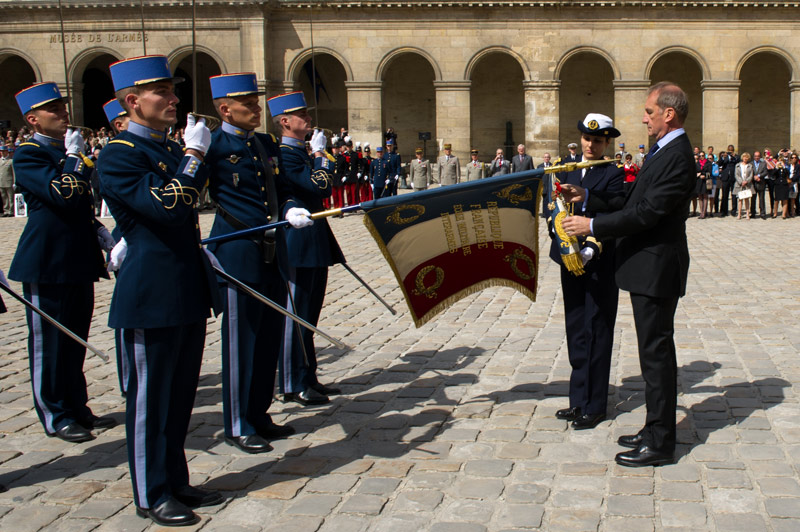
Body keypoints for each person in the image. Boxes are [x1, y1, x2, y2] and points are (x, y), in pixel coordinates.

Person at [98, 55, 222, 526]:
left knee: (180, 395)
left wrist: (187, 160)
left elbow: (192, 200)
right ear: (132, 101)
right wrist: (193, 157)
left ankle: (175, 479)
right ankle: (151, 492)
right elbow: (170, 207)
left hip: (186, 283)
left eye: (173, 91)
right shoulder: (119, 154)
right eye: (162, 93)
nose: (174, 100)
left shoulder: (168, 152)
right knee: (150, 400)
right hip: (149, 292)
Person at [561, 82, 695, 467]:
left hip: (657, 267)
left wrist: (592, 226)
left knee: (656, 356)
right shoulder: (664, 150)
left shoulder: (678, 154)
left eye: (650, 111)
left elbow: (645, 213)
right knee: (650, 354)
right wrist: (589, 202)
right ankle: (654, 427)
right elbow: (636, 201)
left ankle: (661, 441)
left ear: (668, 113)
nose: (644, 117)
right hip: (646, 267)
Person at [205, 73, 313, 454]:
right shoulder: (213, 146)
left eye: (255, 102)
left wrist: (290, 207)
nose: (255, 109)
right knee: (242, 339)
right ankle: (238, 422)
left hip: (271, 249)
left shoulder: (265, 143)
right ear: (225, 109)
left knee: (268, 335)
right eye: (246, 104)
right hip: (236, 250)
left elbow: (279, 189)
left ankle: (259, 413)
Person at [9, 82, 115, 445]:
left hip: (77, 255)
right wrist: (74, 160)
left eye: (62, 107)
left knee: (75, 338)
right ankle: (54, 412)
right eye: (53, 109)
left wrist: (97, 227)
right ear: (33, 119)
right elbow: (63, 194)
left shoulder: (67, 152)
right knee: (49, 341)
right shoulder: (28, 154)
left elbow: (79, 205)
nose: (63, 113)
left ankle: (77, 404)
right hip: (46, 259)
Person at [546, 113, 623, 431]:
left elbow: (619, 208)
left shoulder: (612, 173)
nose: (591, 144)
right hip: (571, 260)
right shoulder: (565, 168)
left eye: (598, 140)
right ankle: (578, 399)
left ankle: (595, 405)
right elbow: (553, 210)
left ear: (607, 143)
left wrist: (588, 196)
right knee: (576, 328)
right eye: (587, 139)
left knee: (597, 330)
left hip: (599, 262)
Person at [268, 91, 344, 406]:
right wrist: (320, 156)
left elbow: (328, 185)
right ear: (285, 122)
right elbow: (319, 186)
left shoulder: (300, 153)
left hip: (313, 242)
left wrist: (317, 156)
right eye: (302, 115)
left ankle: (307, 376)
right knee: (295, 316)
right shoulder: (286, 155)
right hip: (297, 243)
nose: (308, 119)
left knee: (309, 316)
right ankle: (291, 381)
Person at [734, 152, 754, 220]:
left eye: (747, 157)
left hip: (747, 184)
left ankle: (747, 214)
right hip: (740, 184)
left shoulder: (750, 165)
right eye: (744, 157)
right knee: (740, 199)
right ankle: (739, 214)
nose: (745, 158)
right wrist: (741, 181)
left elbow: (751, 175)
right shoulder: (738, 165)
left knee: (747, 199)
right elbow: (736, 175)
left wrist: (746, 181)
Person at [751, 150, 768, 219]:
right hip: (753, 184)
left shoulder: (763, 163)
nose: (757, 157)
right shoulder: (750, 164)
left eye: (758, 156)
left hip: (761, 182)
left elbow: (765, 172)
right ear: (753, 157)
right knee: (753, 199)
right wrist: (754, 177)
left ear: (760, 156)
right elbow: (749, 173)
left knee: (761, 199)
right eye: (755, 156)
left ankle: (762, 213)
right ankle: (753, 213)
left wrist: (759, 176)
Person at [0, 145, 14, 216]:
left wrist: (14, 182)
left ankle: (11, 211)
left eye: (4, 151)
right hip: (1, 181)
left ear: (6, 152)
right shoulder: (0, 160)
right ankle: (6, 210)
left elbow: (14, 173)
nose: (2, 153)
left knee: (10, 197)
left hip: (9, 181)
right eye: (1, 152)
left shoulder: (11, 161)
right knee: (4, 197)